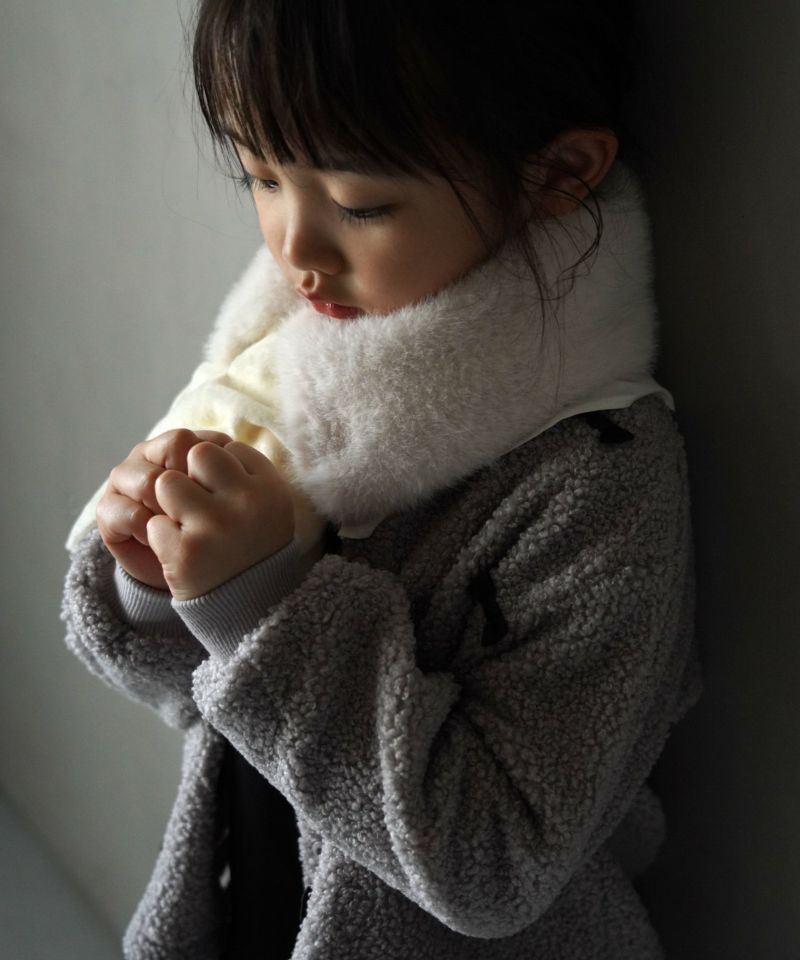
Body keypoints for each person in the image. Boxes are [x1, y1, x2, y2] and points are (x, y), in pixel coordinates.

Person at [60, 1, 704, 957]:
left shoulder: (596, 473)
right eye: (260, 177)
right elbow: (193, 700)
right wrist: (153, 582)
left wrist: (268, 605)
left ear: (560, 172)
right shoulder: (286, 353)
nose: (293, 248)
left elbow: (496, 862)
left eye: (360, 205)